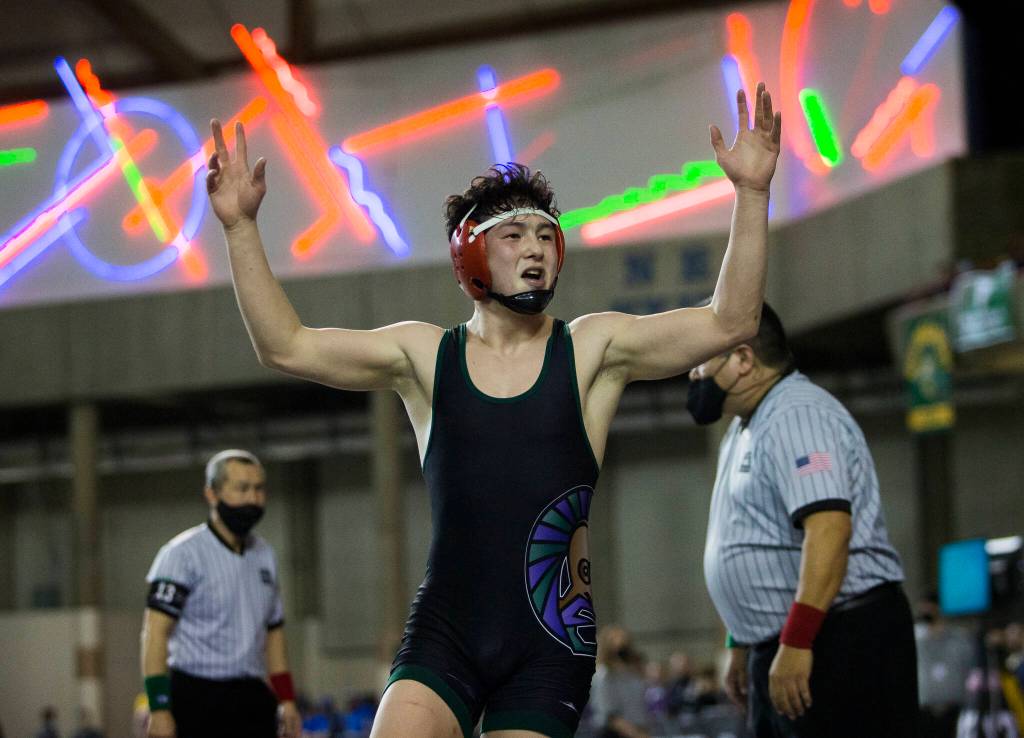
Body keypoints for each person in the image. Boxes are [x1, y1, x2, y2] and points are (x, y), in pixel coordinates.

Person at [206, 76, 781, 738]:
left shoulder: (593, 349)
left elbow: (731, 320)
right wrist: (241, 228)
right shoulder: (426, 358)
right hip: (447, 630)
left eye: (545, 234)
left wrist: (753, 194)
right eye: (514, 236)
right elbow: (285, 346)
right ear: (471, 253)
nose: (535, 247)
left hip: (550, 639)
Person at [690, 303, 918, 738]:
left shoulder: (798, 415)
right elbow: (754, 536)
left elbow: (829, 528)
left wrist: (797, 639)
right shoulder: (747, 425)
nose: (693, 374)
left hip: (837, 637)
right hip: (790, 639)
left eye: (702, 360)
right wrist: (741, 642)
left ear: (742, 358)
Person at [140, 449, 302, 738]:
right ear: (212, 494)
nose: (253, 498)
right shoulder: (181, 555)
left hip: (251, 696)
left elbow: (274, 633)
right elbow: (155, 633)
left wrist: (287, 699)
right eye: (242, 489)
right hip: (195, 696)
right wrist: (159, 708)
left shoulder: (265, 555)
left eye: (258, 489)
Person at [915, 591, 974, 738]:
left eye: (929, 606)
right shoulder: (915, 639)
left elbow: (970, 670)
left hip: (954, 710)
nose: (925, 610)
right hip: (924, 710)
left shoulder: (959, 639)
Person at [589, 626, 652, 738]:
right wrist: (636, 734)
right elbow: (609, 715)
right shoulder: (604, 674)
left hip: (638, 729)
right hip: (614, 733)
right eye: (616, 639)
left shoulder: (633, 673)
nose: (622, 643)